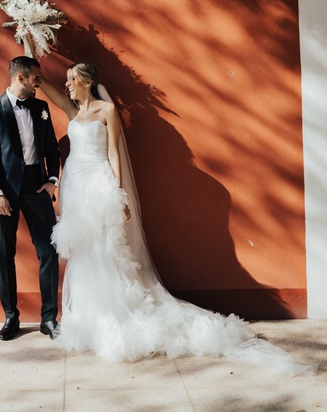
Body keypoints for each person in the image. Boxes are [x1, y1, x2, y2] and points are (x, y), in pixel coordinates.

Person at [24, 39, 316, 375]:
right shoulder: (73, 111)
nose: (68, 86)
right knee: (83, 251)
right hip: (75, 182)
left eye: (72, 80)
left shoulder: (106, 111)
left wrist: (118, 194)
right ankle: (89, 317)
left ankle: (115, 316)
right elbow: (43, 83)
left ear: (87, 81)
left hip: (99, 183)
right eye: (67, 83)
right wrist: (30, 42)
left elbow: (115, 154)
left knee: (106, 250)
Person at [0, 55, 60, 341]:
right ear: (21, 77)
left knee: (49, 251)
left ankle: (49, 319)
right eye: (36, 77)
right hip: (5, 193)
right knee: (4, 255)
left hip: (37, 188)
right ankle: (11, 317)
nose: (40, 82)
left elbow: (51, 147)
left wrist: (52, 179)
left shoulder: (41, 107)